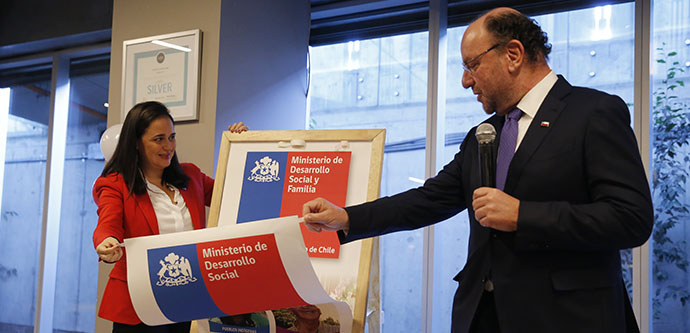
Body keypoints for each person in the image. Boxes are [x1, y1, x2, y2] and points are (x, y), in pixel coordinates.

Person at [302, 7, 653, 333]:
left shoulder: (593, 113)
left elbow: (630, 219)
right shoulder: (485, 135)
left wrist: (523, 215)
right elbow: (428, 199)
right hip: (482, 317)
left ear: (513, 54)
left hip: (566, 318)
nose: (465, 82)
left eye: (472, 65)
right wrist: (346, 217)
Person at [93, 101, 248, 332]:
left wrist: (241, 149)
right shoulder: (116, 184)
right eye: (159, 139)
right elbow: (108, 224)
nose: (168, 146)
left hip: (189, 298)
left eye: (171, 137)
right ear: (136, 143)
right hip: (140, 304)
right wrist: (106, 243)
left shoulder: (191, 176)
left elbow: (235, 197)